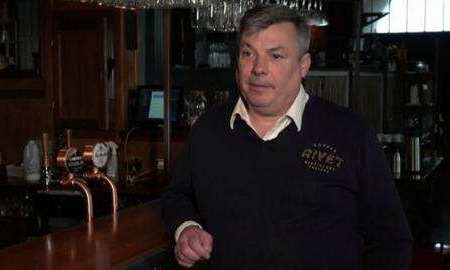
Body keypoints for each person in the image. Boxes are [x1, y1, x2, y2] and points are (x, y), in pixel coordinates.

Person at [161, 4, 413, 269]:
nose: (258, 68)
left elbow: (391, 240)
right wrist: (186, 228)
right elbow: (177, 197)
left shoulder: (350, 133)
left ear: (303, 65)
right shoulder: (208, 129)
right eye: (249, 53)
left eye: (276, 56)